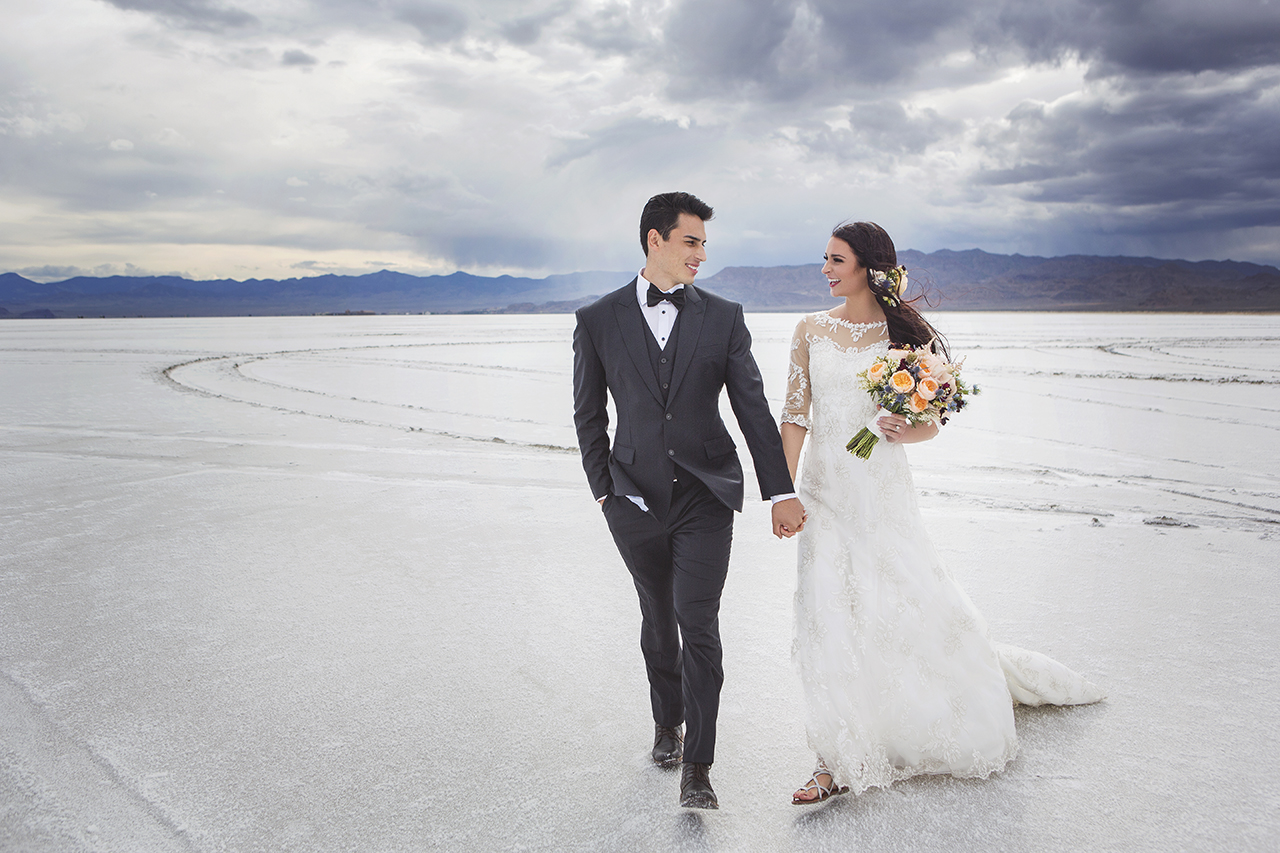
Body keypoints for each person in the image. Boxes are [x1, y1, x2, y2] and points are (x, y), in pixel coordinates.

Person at [780, 221, 1104, 805]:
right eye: (824, 258)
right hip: (824, 494)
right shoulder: (808, 330)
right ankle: (832, 759)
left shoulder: (906, 335)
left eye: (836, 259)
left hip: (881, 491)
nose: (825, 269)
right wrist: (785, 490)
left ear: (868, 268)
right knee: (825, 613)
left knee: (901, 602)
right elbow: (795, 416)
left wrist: (905, 430)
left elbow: (930, 422)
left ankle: (917, 716)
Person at [572, 192, 807, 809]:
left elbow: (753, 409)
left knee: (698, 624)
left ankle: (698, 767)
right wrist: (605, 492)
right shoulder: (598, 319)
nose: (702, 254)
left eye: (703, 243)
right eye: (691, 241)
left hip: (706, 497)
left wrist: (780, 489)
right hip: (634, 501)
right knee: (657, 617)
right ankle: (665, 724)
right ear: (656, 240)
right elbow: (588, 415)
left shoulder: (724, 317)